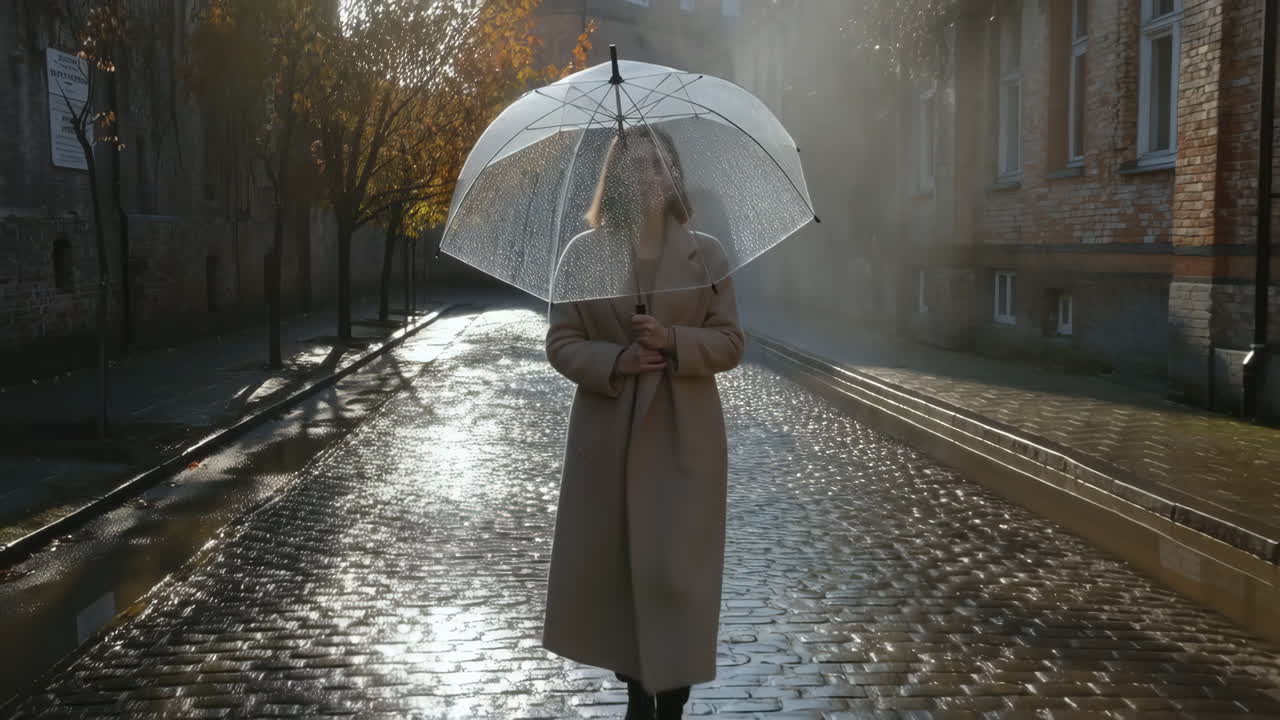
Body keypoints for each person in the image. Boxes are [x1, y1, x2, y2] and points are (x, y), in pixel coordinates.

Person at [540, 125, 744, 720]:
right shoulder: (585, 253)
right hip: (611, 442)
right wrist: (618, 359)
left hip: (686, 442)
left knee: (678, 579)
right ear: (617, 179)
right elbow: (561, 343)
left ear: (674, 174)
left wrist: (673, 339)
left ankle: (672, 704)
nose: (647, 175)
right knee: (623, 579)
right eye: (632, 166)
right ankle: (635, 697)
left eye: (657, 164)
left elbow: (731, 342)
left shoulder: (706, 254)